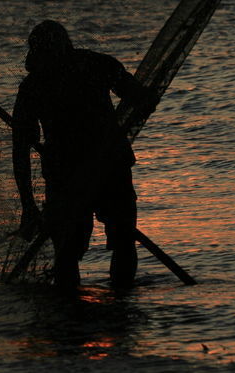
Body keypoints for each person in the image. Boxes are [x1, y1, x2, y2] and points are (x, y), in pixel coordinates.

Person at [12, 20, 147, 290]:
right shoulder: (95, 66)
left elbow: (21, 149)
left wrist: (28, 205)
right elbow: (139, 98)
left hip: (97, 169)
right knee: (77, 248)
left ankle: (86, 312)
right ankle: (118, 306)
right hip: (81, 173)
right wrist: (27, 206)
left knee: (79, 248)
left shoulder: (38, 84)